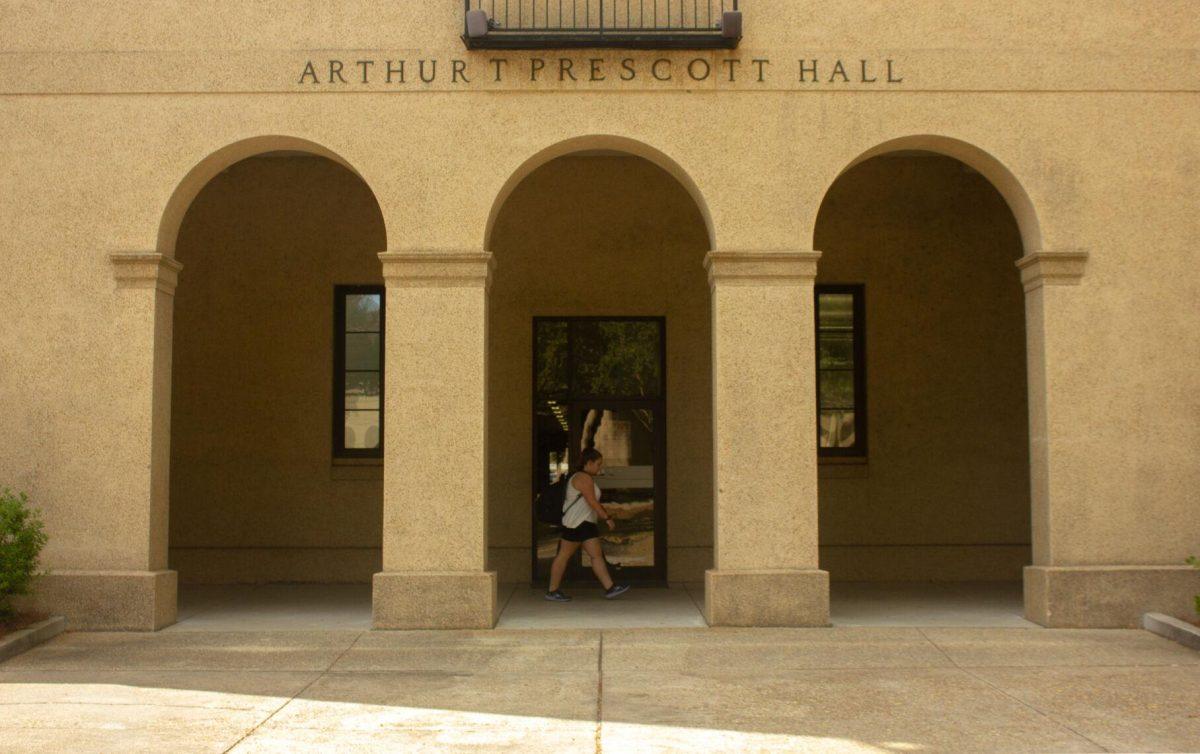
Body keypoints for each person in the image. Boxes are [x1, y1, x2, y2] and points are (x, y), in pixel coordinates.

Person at [545, 447, 630, 602]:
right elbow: (592, 502)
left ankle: (610, 588)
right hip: (577, 523)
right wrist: (607, 517)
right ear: (588, 463)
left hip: (584, 523)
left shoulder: (583, 477)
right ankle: (552, 590)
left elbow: (590, 502)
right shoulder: (582, 478)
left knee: (595, 556)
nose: (600, 467)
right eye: (598, 464)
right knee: (565, 556)